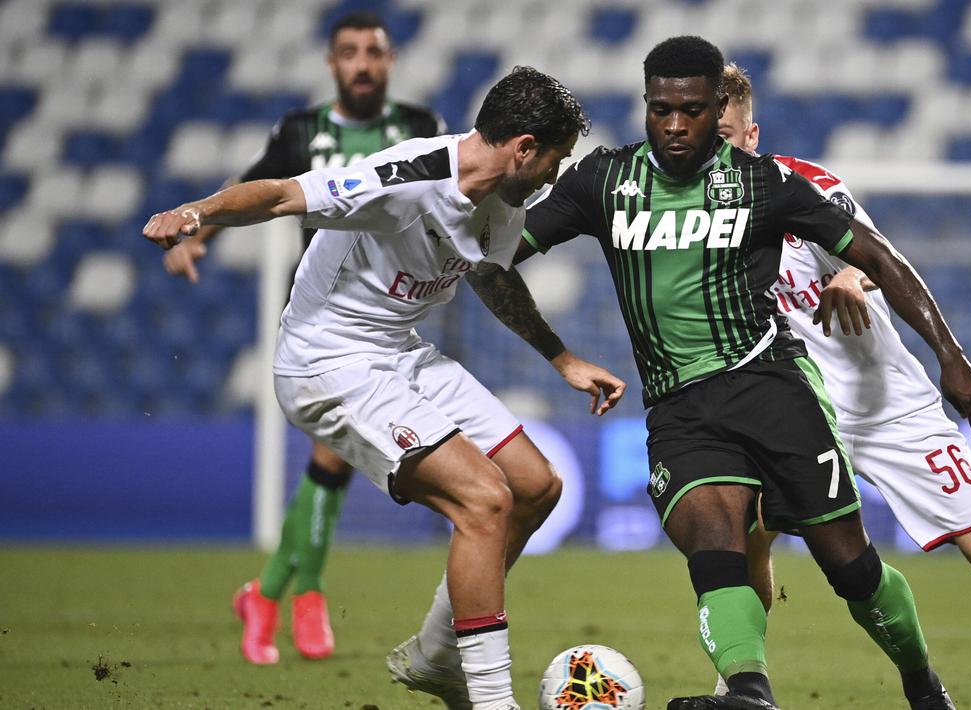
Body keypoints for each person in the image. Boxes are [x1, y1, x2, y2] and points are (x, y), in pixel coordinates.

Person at [399, 36, 971, 710]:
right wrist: (557, 353)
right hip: (681, 410)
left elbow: (875, 254)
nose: (675, 126)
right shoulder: (604, 182)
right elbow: (492, 261)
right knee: (712, 544)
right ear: (646, 105)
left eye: (693, 111)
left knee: (849, 566)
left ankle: (920, 682)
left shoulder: (764, 185)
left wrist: (949, 353)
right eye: (660, 109)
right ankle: (749, 693)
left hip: (773, 388)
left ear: (716, 109)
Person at [144, 66, 625, 710]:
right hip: (328, 361)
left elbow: (492, 276)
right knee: (484, 502)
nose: (555, 177)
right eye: (555, 160)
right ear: (524, 147)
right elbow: (282, 195)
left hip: (399, 351)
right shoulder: (406, 178)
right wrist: (196, 211)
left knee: (537, 486)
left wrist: (562, 358)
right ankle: (490, 699)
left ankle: (433, 654)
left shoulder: (506, 202)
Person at [715, 63, 971, 710]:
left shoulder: (805, 188)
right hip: (791, 411)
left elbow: (880, 258)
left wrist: (855, 281)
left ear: (750, 135)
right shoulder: (680, 214)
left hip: (886, 407)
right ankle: (738, 688)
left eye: (723, 134)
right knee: (745, 534)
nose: (708, 148)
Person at [162, 11, 445, 664]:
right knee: (330, 456)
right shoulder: (300, 132)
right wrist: (196, 233)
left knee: (332, 458)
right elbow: (253, 191)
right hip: (322, 320)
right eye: (349, 53)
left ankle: (265, 595)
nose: (362, 64)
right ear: (331, 64)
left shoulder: (420, 129)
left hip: (388, 315)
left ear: (391, 60)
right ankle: (302, 593)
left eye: (373, 52)